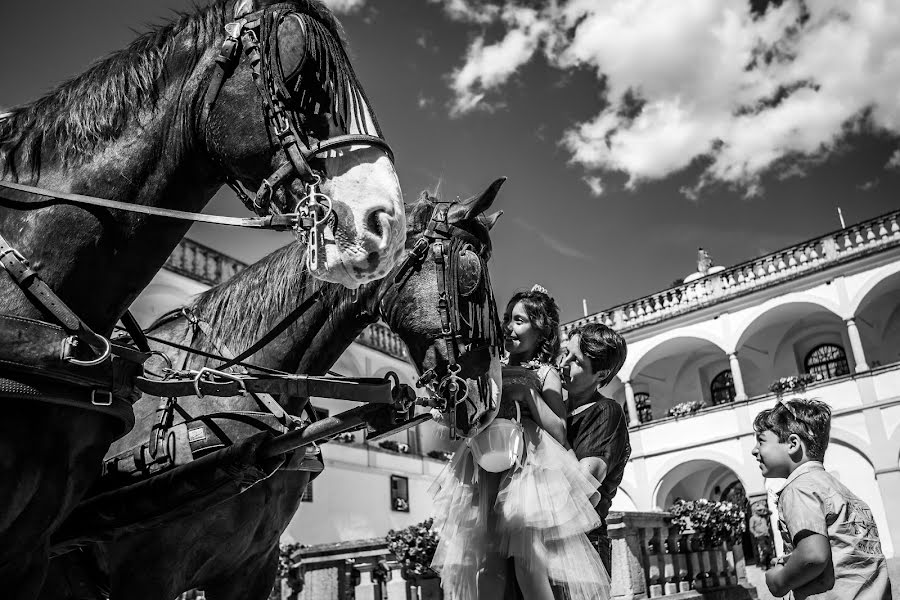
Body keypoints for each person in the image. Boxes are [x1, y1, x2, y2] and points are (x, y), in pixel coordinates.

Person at [429, 287, 610, 600]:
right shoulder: (488, 366)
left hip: (528, 470)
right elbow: (470, 414)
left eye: (519, 320)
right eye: (507, 319)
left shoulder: (545, 373)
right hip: (485, 465)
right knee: (486, 564)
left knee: (529, 561)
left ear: (540, 332)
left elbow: (559, 430)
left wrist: (528, 394)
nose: (508, 327)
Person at [751, 398, 892, 600]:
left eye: (761, 440)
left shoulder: (798, 489)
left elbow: (812, 555)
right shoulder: (841, 491)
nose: (754, 450)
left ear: (792, 444)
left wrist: (779, 581)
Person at [557, 322, 630, 575]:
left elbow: (584, 486)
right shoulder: (556, 408)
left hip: (584, 545)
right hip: (547, 541)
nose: (563, 363)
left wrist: (553, 429)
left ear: (601, 374)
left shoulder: (606, 411)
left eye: (576, 360)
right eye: (564, 353)